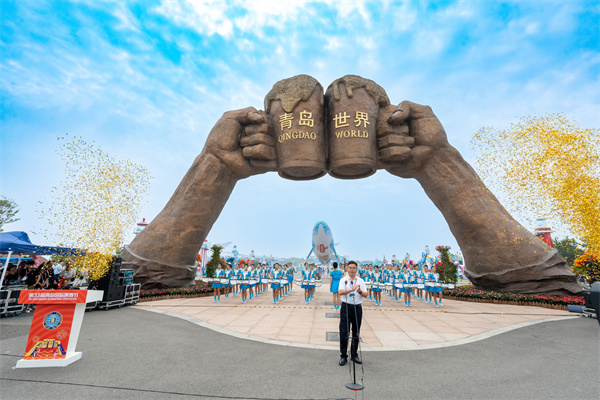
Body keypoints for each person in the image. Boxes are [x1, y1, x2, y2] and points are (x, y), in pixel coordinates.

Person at [338, 260, 367, 366]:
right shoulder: (343, 280)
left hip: (357, 308)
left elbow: (365, 294)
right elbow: (340, 292)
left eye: (354, 268)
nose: (352, 270)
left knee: (356, 332)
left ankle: (354, 354)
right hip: (346, 307)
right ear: (347, 269)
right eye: (350, 268)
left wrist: (359, 291)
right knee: (344, 332)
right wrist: (351, 289)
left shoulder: (361, 281)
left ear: (356, 269)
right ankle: (343, 355)